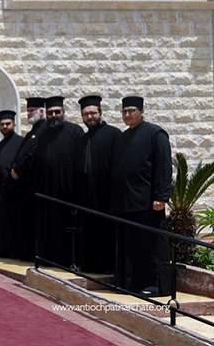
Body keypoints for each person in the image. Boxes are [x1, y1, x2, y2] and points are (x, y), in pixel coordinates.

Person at [110, 96, 172, 296]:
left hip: (148, 203)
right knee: (131, 246)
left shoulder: (155, 134)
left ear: (141, 111)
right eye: (124, 111)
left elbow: (164, 166)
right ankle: (130, 283)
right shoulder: (123, 137)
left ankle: (155, 284)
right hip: (126, 203)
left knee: (151, 245)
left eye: (131, 110)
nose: (127, 115)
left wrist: (161, 196)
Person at [17, 95, 82, 266]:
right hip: (46, 191)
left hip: (68, 191)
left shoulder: (75, 131)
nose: (54, 116)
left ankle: (67, 260)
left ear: (63, 112)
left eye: (57, 112)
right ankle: (48, 258)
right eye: (50, 113)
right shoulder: (41, 134)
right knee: (48, 228)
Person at [74, 95, 119, 273]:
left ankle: (109, 268)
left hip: (107, 196)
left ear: (100, 113)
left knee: (108, 233)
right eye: (86, 114)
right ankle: (91, 266)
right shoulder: (82, 140)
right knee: (89, 233)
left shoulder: (114, 135)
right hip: (87, 198)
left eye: (93, 113)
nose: (90, 117)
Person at [9, 97, 46, 259]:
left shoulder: (43, 130)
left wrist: (18, 169)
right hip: (25, 187)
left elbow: (31, 154)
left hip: (33, 184)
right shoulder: (32, 132)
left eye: (32, 110)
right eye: (28, 111)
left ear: (42, 111)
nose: (29, 113)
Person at [0, 110, 24, 256]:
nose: (5, 127)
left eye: (8, 124)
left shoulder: (21, 142)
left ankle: (14, 250)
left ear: (14, 124)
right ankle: (1, 249)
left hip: (14, 190)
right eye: (2, 124)